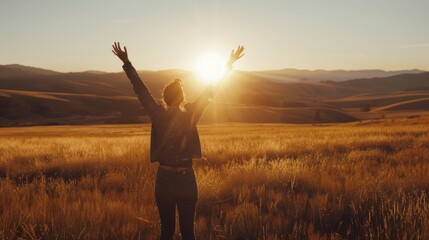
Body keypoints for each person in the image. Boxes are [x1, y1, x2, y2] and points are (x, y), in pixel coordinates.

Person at [112, 42, 244, 240]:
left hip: (164, 179)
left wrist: (127, 62)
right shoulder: (191, 114)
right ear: (182, 98)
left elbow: (141, 90)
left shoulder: (157, 115)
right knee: (188, 232)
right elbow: (211, 90)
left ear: (164, 99)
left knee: (166, 231)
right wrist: (228, 64)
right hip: (186, 179)